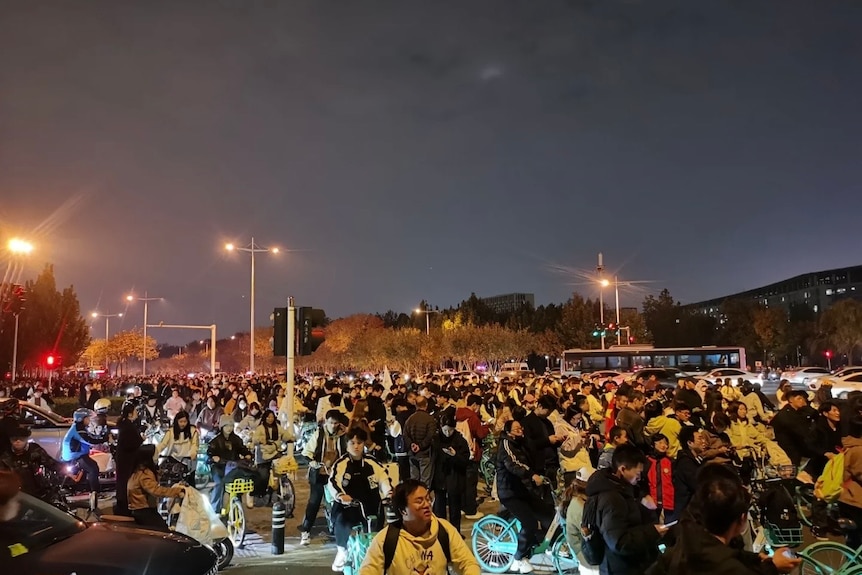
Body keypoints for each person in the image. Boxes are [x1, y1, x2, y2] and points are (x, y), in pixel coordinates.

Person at [646, 464, 801, 575]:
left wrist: (754, 558)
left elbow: (727, 553)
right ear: (741, 519)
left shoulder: (689, 529)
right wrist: (773, 567)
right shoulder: (726, 566)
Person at [357, 479, 480, 575]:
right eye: (419, 501)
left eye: (427, 499)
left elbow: (468, 563)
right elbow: (368, 570)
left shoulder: (444, 530)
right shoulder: (386, 539)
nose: (426, 504)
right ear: (403, 511)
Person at [584, 444, 665, 575]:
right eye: (637, 473)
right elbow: (619, 543)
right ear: (623, 469)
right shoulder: (612, 498)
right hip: (621, 567)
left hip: (629, 564)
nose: (639, 478)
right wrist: (652, 532)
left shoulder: (621, 490)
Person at [328, 427, 393, 572]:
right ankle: (342, 551)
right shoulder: (341, 463)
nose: (356, 446)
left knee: (377, 536)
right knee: (342, 522)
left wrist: (389, 492)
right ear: (347, 445)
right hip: (348, 507)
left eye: (359, 442)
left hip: (371, 506)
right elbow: (333, 482)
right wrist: (340, 496)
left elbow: (384, 477)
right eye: (352, 443)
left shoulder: (372, 461)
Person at [496, 419, 555, 574]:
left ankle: (548, 544)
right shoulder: (506, 445)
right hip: (509, 492)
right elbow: (513, 464)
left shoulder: (521, 442)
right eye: (516, 429)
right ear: (508, 432)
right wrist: (531, 474)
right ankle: (519, 557)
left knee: (548, 511)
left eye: (520, 428)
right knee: (530, 523)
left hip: (523, 489)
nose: (520, 431)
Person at [299, 409, 347, 545]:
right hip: (319, 474)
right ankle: (306, 530)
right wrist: (312, 462)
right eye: (331, 423)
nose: (333, 426)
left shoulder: (343, 435)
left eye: (336, 423)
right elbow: (306, 452)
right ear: (326, 422)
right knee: (314, 502)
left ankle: (339, 529)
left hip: (336, 474)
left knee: (339, 501)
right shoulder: (319, 434)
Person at [60, 408, 108, 516]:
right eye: (88, 418)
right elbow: (89, 440)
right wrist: (104, 439)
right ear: (82, 419)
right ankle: (94, 492)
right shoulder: (78, 429)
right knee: (93, 468)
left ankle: (89, 489)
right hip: (74, 456)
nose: (90, 420)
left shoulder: (81, 427)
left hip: (79, 454)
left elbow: (92, 436)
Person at [127, 444, 185, 531]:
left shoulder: (138, 471)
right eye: (155, 454)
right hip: (145, 511)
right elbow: (156, 490)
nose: (158, 456)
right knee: (164, 533)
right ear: (148, 457)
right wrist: (177, 492)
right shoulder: (145, 473)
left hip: (139, 510)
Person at [207, 415, 253, 512]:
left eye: (231, 426)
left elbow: (242, 449)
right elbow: (209, 453)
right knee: (219, 484)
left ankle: (237, 504)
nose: (229, 428)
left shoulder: (236, 439)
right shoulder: (215, 440)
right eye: (226, 426)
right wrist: (213, 458)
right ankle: (216, 510)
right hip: (218, 467)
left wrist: (247, 454)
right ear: (222, 427)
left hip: (232, 466)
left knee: (240, 483)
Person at [432, 414, 470, 532]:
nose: (448, 433)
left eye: (451, 430)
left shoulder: (460, 440)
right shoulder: (436, 440)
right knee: (439, 510)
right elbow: (432, 459)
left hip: (455, 479)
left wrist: (454, 456)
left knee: (455, 510)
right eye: (445, 430)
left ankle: (455, 533)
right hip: (440, 479)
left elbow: (465, 460)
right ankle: (441, 533)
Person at [0, 426, 61, 499]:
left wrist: (64, 470)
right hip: (17, 493)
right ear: (10, 440)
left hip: (38, 490)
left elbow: (50, 463)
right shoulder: (6, 456)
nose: (18, 441)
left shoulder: (35, 450)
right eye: (14, 439)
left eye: (21, 439)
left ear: (26, 439)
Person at [155, 409, 199, 485]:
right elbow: (163, 444)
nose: (183, 424)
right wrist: (155, 452)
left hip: (188, 460)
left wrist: (193, 453)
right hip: (174, 459)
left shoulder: (193, 431)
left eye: (185, 421)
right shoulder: (171, 431)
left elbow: (195, 444)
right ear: (177, 421)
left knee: (190, 482)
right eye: (181, 422)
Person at [114, 402, 144, 515]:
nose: (137, 413)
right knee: (125, 482)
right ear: (130, 414)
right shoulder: (127, 426)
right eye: (135, 411)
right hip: (127, 459)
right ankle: (124, 507)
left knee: (122, 481)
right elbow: (130, 443)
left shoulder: (125, 424)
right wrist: (141, 439)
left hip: (124, 458)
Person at [403, 396, 437, 486]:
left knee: (414, 480)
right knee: (424, 481)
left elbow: (405, 434)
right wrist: (420, 446)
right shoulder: (429, 419)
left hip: (412, 453)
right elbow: (430, 436)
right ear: (426, 405)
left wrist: (412, 445)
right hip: (425, 453)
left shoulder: (410, 419)